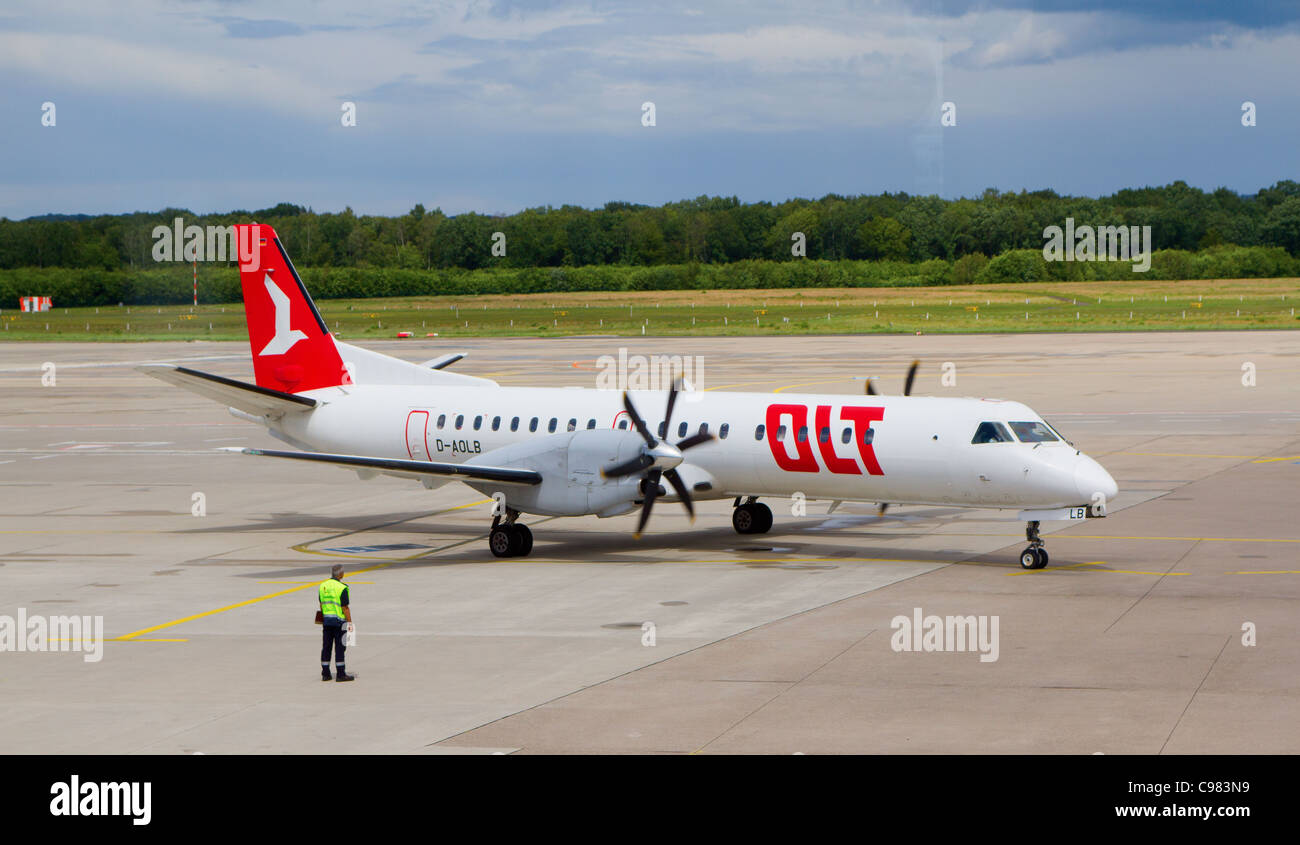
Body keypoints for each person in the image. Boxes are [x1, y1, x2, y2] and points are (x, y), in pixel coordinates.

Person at [318, 564, 355, 682]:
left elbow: (321, 604)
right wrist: (350, 624)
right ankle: (340, 674)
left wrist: (323, 618)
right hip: (339, 623)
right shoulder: (342, 587)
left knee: (326, 647)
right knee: (340, 648)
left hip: (327, 622)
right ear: (340, 574)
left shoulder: (322, 585)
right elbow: (345, 608)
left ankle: (325, 673)